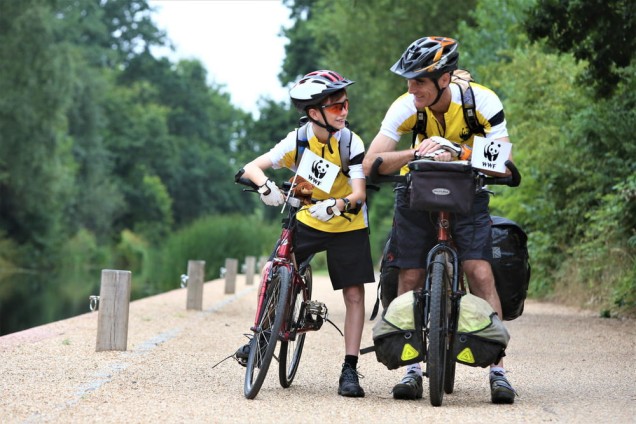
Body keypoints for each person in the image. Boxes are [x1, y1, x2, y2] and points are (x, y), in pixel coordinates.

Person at [362, 36, 517, 404]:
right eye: (409, 80)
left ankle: (498, 368)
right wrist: (417, 150)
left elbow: (507, 165)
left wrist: (459, 151)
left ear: (444, 79)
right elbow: (371, 164)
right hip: (418, 190)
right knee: (411, 273)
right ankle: (410, 368)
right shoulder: (406, 105)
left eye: (419, 81)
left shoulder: (483, 100)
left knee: (479, 270)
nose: (411, 87)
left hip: (467, 190)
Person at [237, 70, 375, 398]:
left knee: (354, 294)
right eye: (337, 106)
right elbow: (251, 167)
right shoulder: (298, 140)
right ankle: (261, 338)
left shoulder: (350, 142)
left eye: (346, 104)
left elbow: (359, 193)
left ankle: (350, 369)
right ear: (315, 113)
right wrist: (265, 186)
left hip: (347, 224)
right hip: (308, 219)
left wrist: (336, 205)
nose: (345, 111)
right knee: (275, 269)